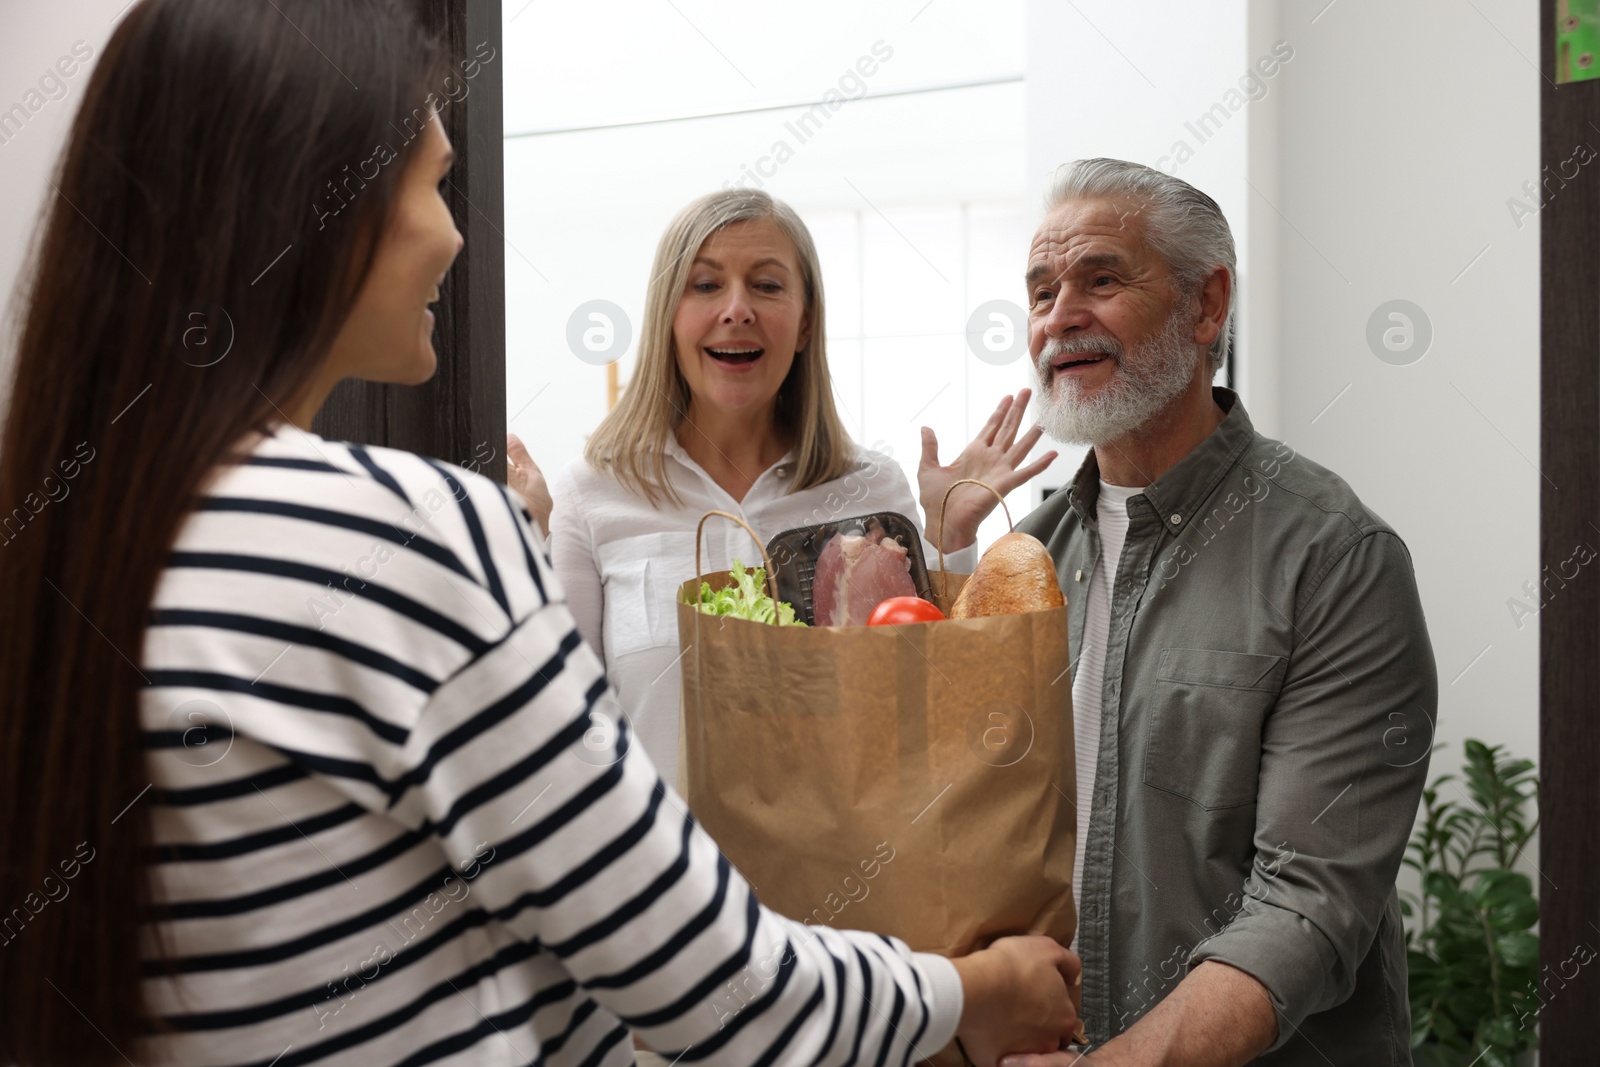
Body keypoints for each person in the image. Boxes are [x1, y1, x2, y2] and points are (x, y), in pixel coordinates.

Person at [0, 4, 1082, 1065]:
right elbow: (705, 980)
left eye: (765, 285)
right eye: (428, 181)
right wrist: (969, 991)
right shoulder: (416, 533)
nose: (452, 233)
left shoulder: (73, 539)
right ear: (311, 208)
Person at [994, 160, 1437, 1067]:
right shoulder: (1025, 559)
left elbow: (1307, 904)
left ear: (1206, 306)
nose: (1058, 316)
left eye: (1101, 278)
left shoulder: (1335, 557)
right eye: (1041, 291)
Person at [511, 189, 1056, 777]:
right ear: (667, 316)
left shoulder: (872, 489)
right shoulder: (589, 495)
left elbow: (928, 704)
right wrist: (516, 547)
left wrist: (948, 540)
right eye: (705, 284)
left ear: (805, 324)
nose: (737, 308)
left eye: (768, 286)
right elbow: (559, 716)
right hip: (658, 863)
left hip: (849, 864)